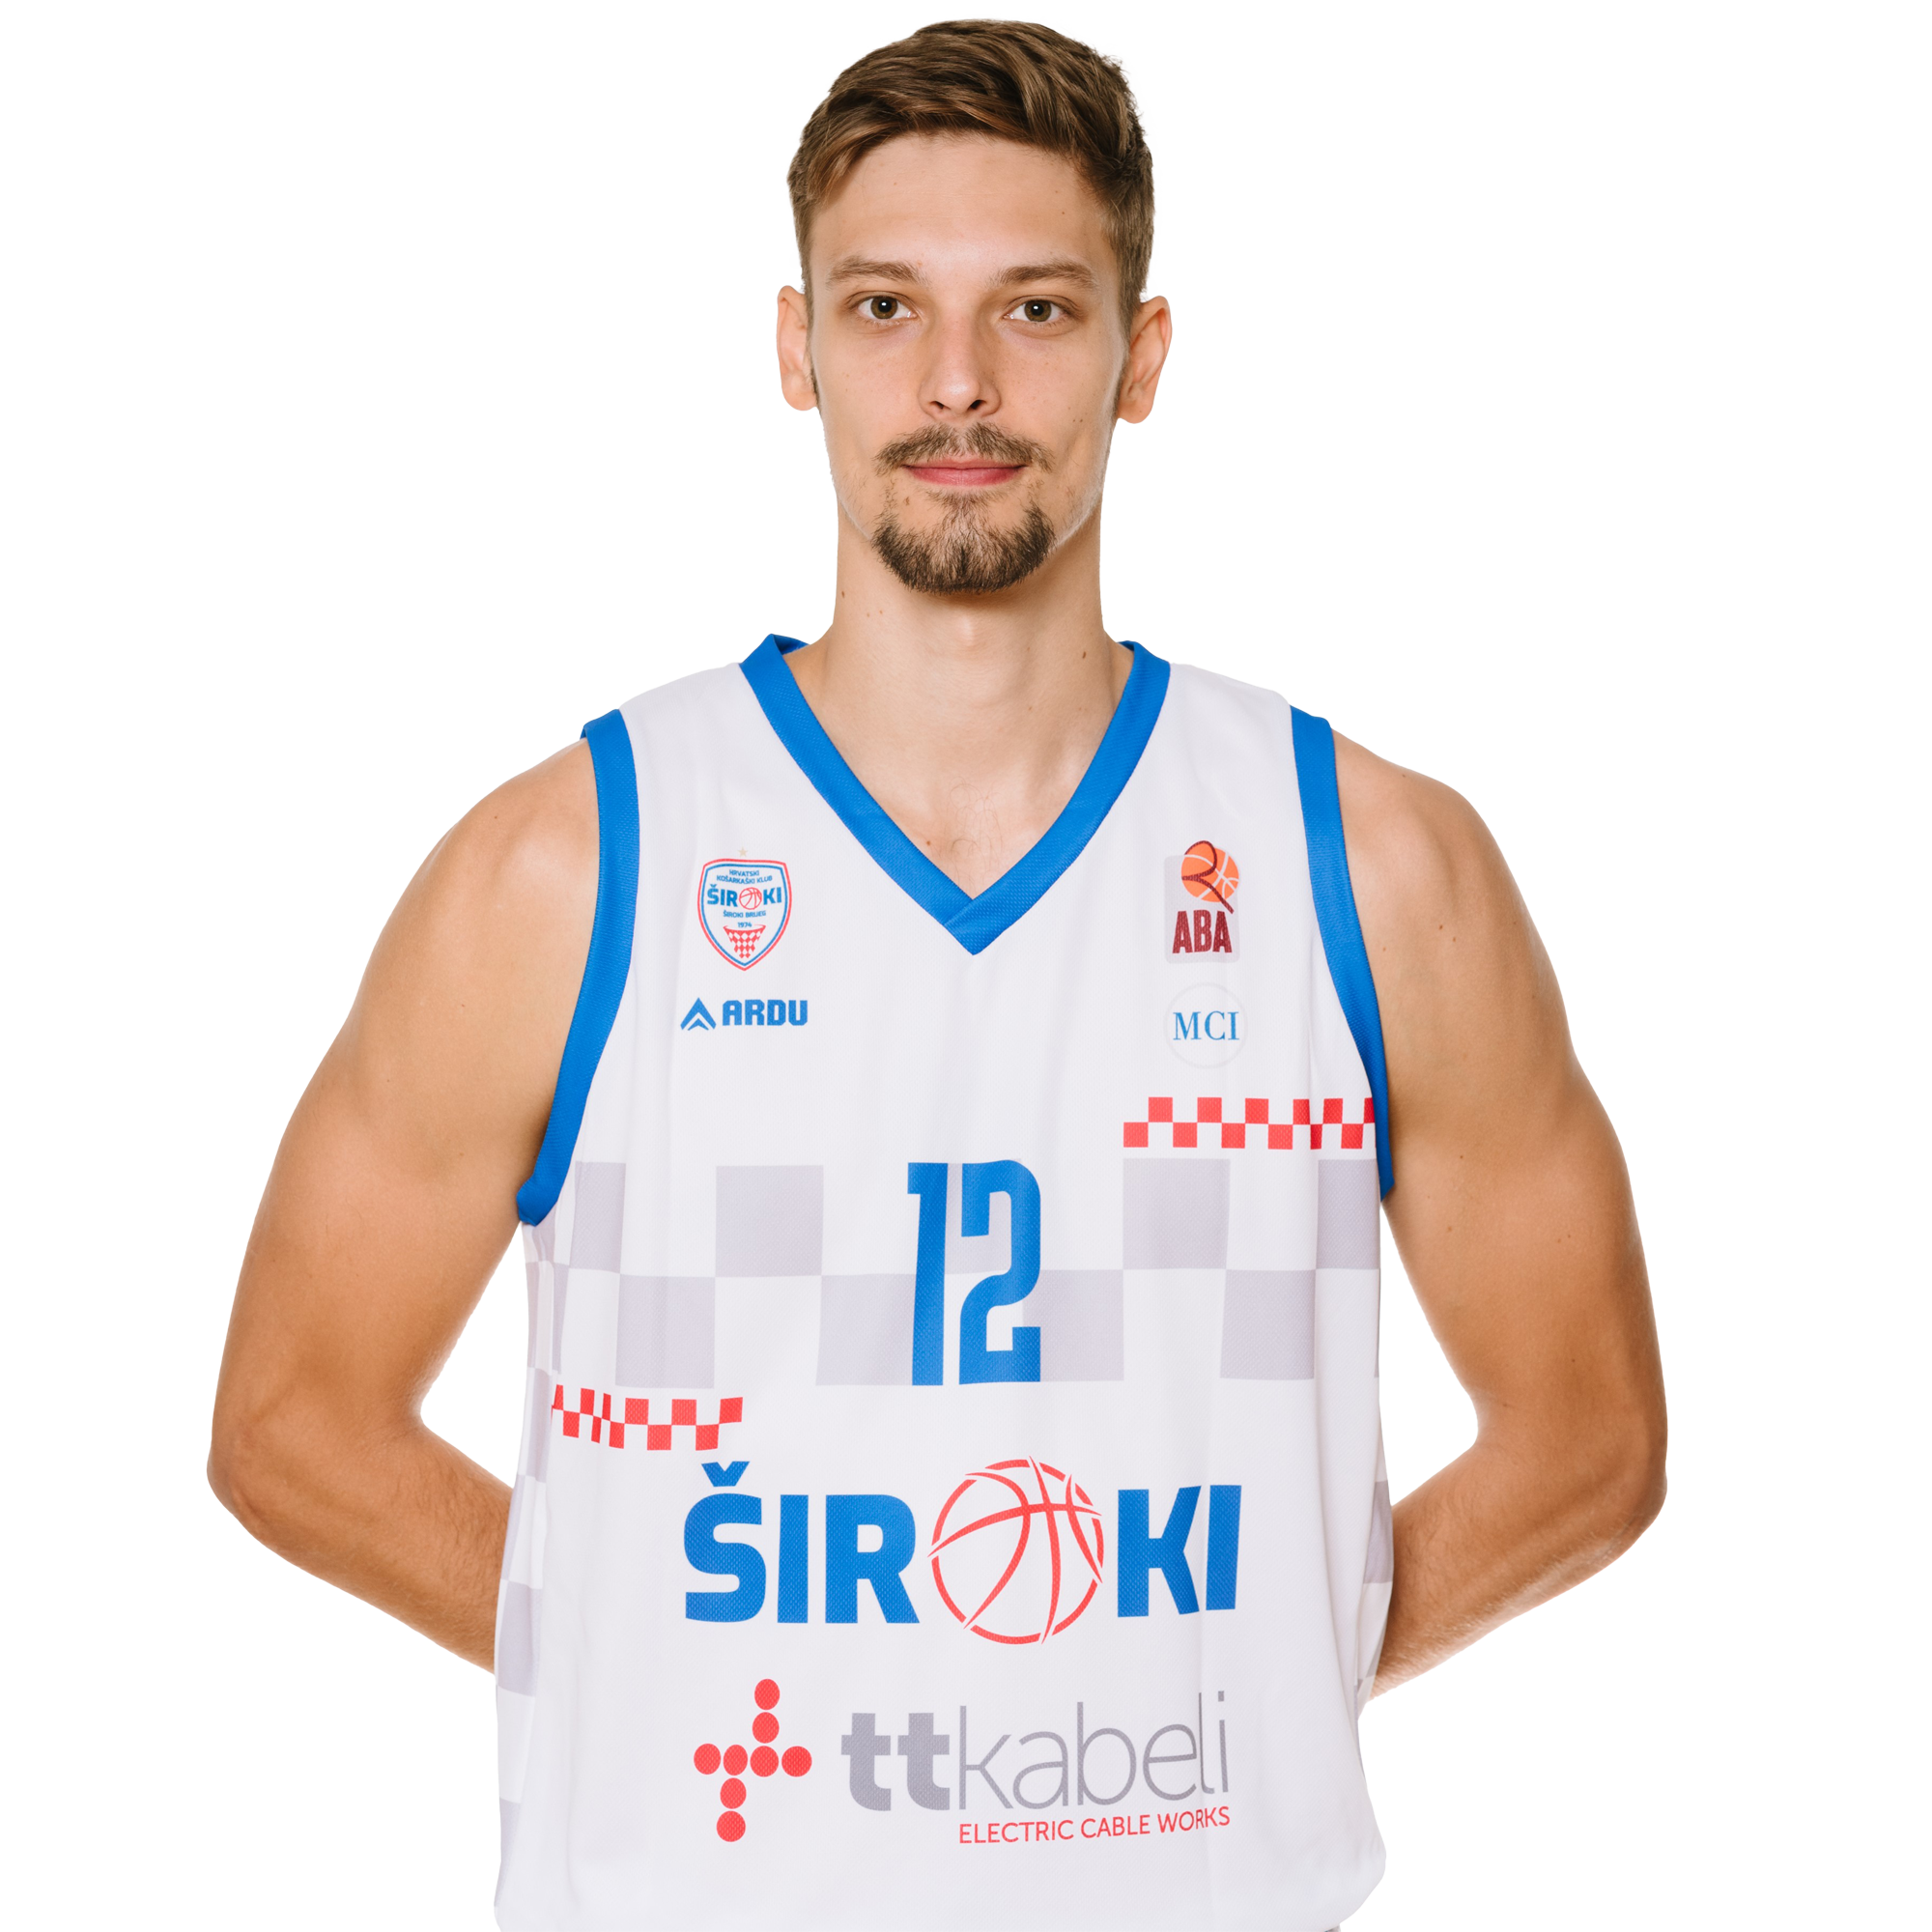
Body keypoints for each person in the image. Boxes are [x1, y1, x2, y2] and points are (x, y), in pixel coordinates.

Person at [211, 18, 1665, 1929]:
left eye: (1037, 310)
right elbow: (290, 1422)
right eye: (885, 306)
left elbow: (1589, 1437)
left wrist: (1250, 1684)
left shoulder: (1371, 866)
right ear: (796, 347)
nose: (958, 380)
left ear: (1142, 356)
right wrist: (669, 1675)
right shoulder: (570, 867)